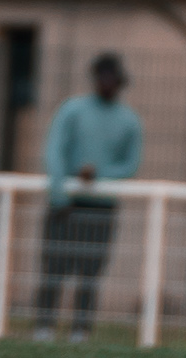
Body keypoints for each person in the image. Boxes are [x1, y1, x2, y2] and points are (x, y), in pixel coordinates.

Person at [35, 53, 144, 341]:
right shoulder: (73, 110)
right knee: (54, 267)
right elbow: (55, 150)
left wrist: (99, 175)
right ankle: (44, 327)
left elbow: (130, 165)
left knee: (90, 272)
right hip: (65, 205)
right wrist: (60, 193)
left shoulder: (129, 121)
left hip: (102, 207)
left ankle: (80, 330)